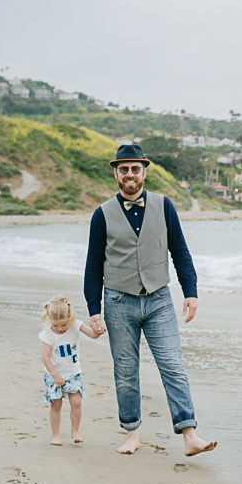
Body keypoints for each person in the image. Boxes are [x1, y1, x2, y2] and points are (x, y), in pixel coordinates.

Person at [84, 142, 216, 458]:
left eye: (135, 168)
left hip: (159, 299)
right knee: (126, 370)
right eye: (124, 169)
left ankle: (189, 435)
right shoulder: (101, 214)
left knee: (172, 364)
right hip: (118, 301)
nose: (130, 174)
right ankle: (132, 434)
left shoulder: (165, 205)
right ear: (116, 173)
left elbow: (180, 252)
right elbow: (93, 264)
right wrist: (94, 309)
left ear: (144, 171)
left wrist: (191, 291)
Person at [40, 294, 105, 446]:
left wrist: (98, 331)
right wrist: (55, 375)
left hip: (73, 373)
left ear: (70, 318)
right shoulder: (47, 333)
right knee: (56, 405)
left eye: (63, 325)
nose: (60, 329)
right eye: (56, 325)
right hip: (53, 375)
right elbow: (45, 357)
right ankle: (56, 435)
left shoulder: (75, 325)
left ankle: (75, 431)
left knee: (76, 402)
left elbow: (92, 335)